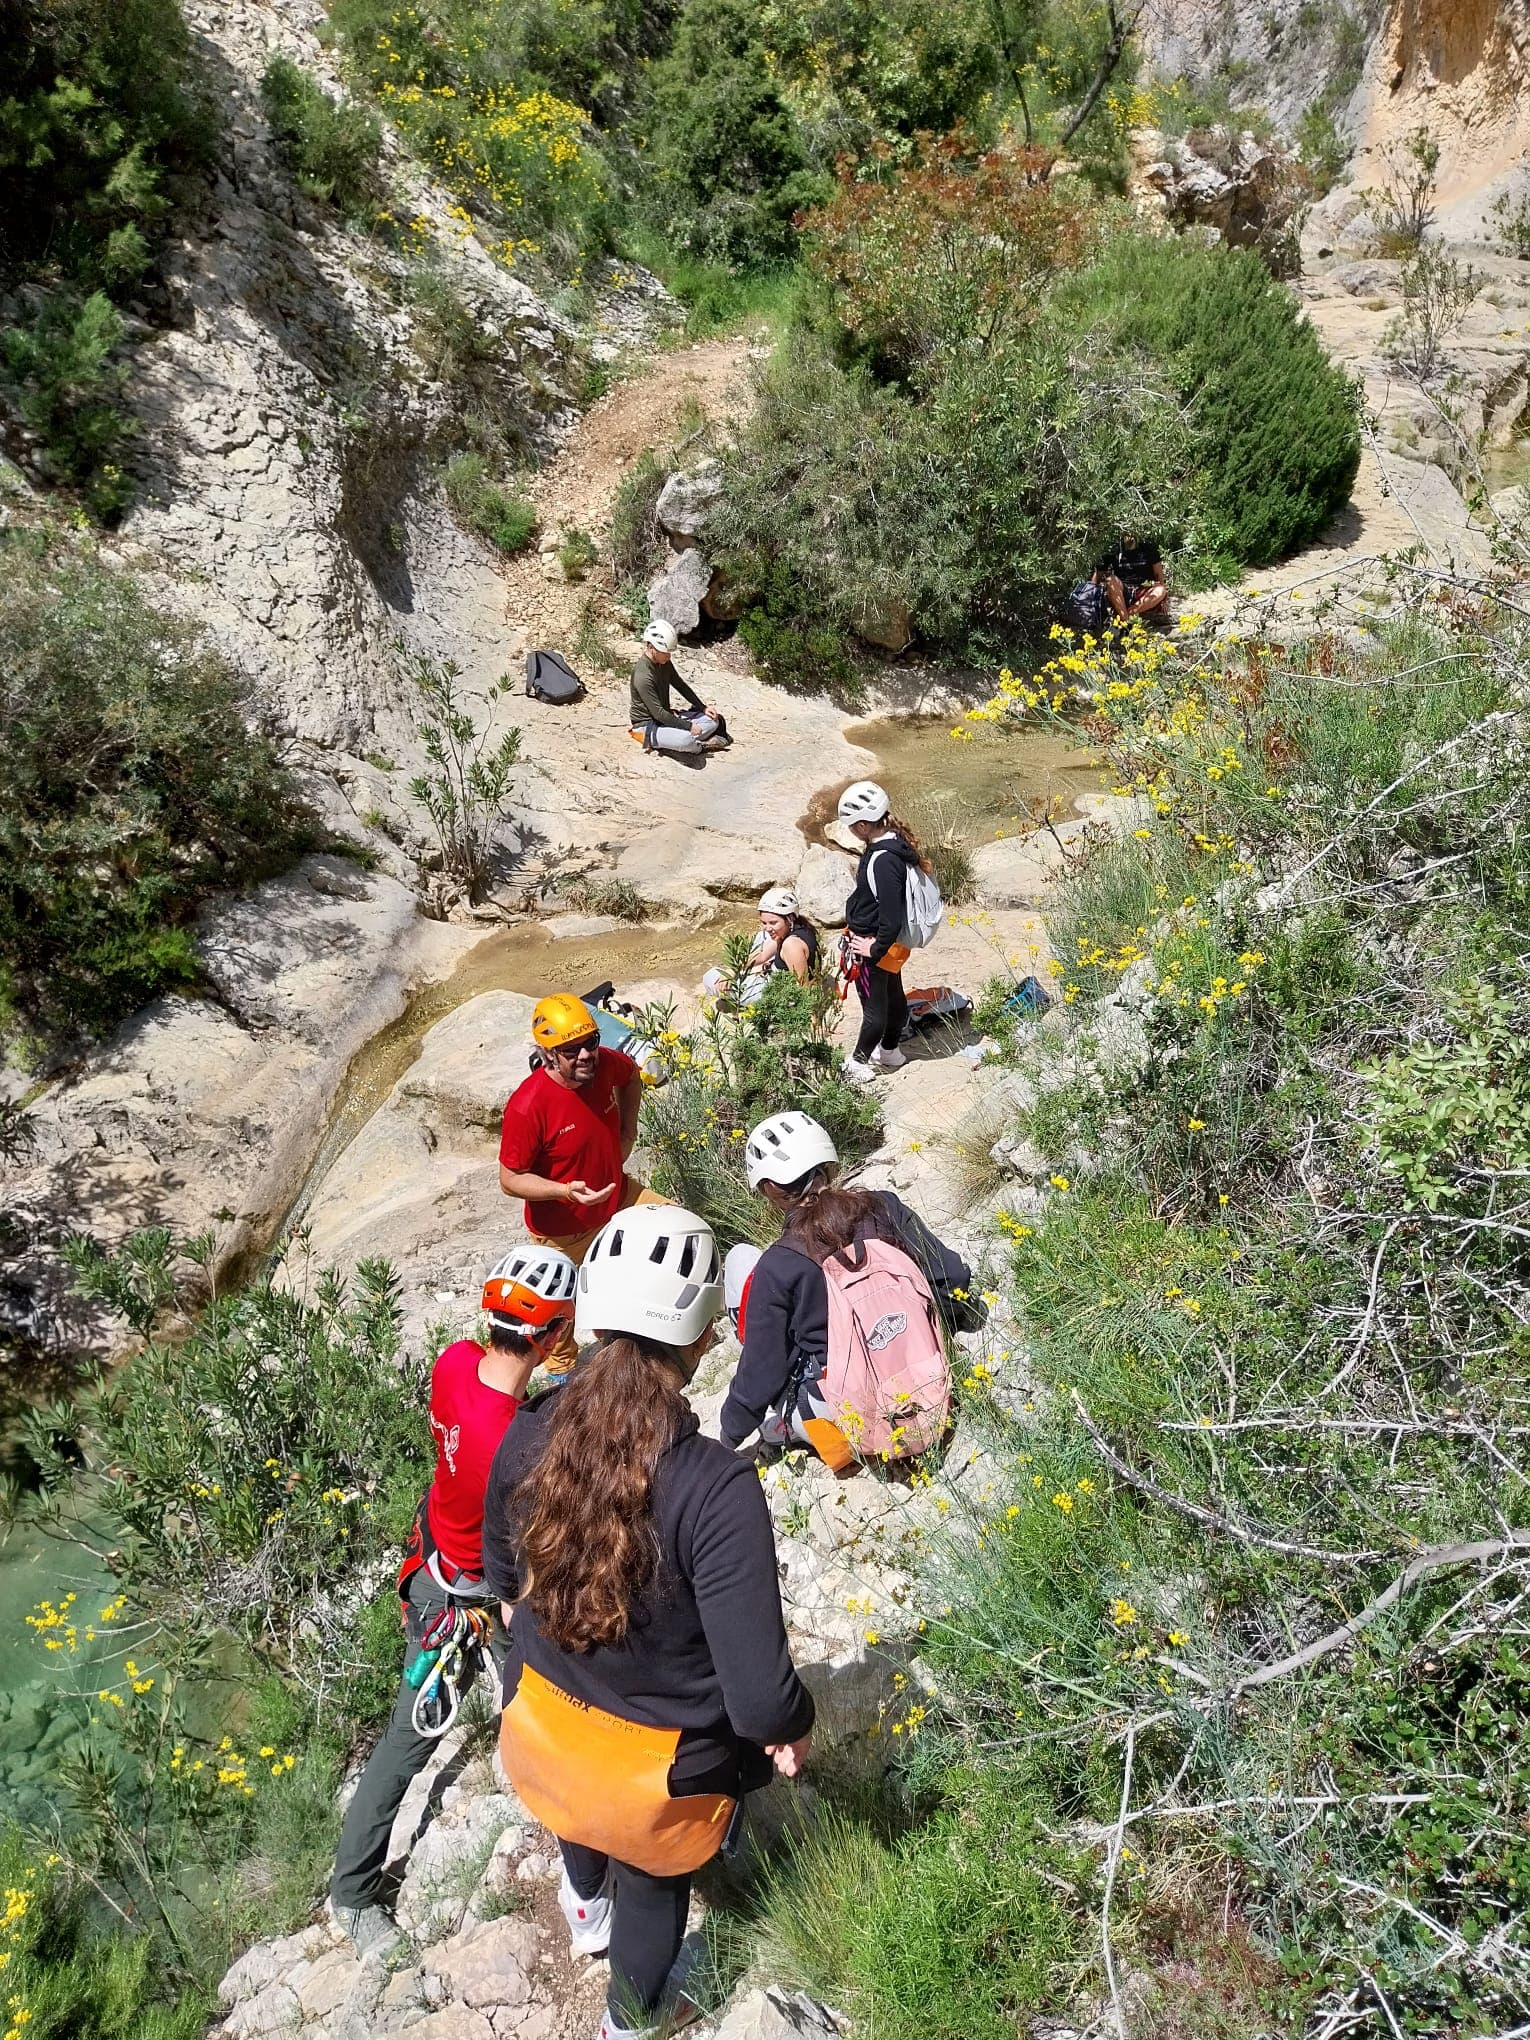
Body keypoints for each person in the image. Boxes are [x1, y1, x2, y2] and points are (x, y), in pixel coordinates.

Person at [484, 1203, 814, 2040]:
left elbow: (503, 1581)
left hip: (541, 1732)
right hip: (652, 1785)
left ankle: (582, 1902)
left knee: (581, 1802)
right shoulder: (716, 1490)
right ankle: (627, 2023)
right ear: (701, 1337)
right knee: (655, 1884)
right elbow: (760, 1701)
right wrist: (793, 1726)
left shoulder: (530, 1432)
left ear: (593, 1314)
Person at [330, 1246, 579, 1951]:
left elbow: (486, 1410)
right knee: (411, 1739)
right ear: (554, 1334)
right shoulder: (521, 1445)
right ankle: (351, 1893)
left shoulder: (452, 1364)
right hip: (467, 1598)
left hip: (435, 1562)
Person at [719, 1111, 986, 1470]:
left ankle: (787, 1430)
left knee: (740, 1261)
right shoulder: (884, 1207)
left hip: (849, 1416)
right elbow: (952, 1279)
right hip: (930, 1378)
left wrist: (728, 1434)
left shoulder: (779, 1265)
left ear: (770, 1189)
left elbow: (761, 1374)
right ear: (827, 1161)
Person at [498, 994, 663, 1371]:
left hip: (618, 1196)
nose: (586, 1055)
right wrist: (562, 1190)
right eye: (571, 1050)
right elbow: (509, 1179)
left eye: (591, 1042)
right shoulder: (529, 1106)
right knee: (559, 1314)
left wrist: (628, 1130)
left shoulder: (603, 1065)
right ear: (547, 1054)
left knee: (678, 1229)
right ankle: (563, 1379)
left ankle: (655, 1329)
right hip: (563, 1230)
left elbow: (631, 1075)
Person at [837, 779, 920, 1084]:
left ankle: (858, 1062)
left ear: (862, 826)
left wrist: (873, 947)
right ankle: (890, 1051)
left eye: (850, 826)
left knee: (874, 1009)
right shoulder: (896, 844)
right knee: (894, 999)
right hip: (888, 944)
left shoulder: (883, 860)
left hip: (872, 943)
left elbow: (891, 915)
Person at [629, 619, 731, 756]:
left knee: (713, 720)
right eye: (665, 652)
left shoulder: (664, 662)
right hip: (647, 725)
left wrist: (702, 707)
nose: (668, 656)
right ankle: (701, 746)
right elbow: (658, 714)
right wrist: (689, 726)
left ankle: (682, 740)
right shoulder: (643, 676)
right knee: (685, 740)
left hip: (667, 718)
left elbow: (680, 685)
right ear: (650, 647)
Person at [701, 887, 820, 999]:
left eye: (773, 923)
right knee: (762, 936)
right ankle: (756, 970)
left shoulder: (791, 945)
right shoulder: (797, 928)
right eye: (764, 923)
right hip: (777, 975)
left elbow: (804, 988)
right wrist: (733, 969)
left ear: (789, 919)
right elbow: (762, 955)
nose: (767, 928)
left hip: (775, 992)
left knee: (710, 977)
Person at [1097, 532, 1168, 623]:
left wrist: (1163, 600)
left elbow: (1159, 576)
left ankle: (1127, 616)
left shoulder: (1149, 548)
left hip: (1144, 591)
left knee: (1160, 590)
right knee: (1111, 580)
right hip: (1123, 591)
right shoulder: (1114, 550)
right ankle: (1126, 621)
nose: (1129, 535)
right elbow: (1098, 575)